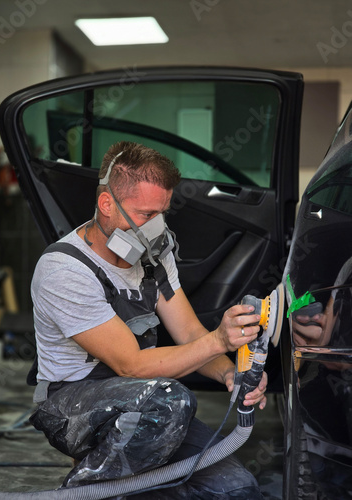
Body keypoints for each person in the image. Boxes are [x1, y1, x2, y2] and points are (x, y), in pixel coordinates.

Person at [29, 141, 267, 499]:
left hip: (148, 404)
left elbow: (188, 331)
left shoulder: (153, 258)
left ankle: (131, 487)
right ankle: (82, 491)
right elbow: (130, 365)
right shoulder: (64, 270)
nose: (155, 228)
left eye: (162, 214)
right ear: (106, 204)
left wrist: (228, 373)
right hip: (72, 405)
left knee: (236, 489)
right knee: (171, 398)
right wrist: (220, 340)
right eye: (144, 214)